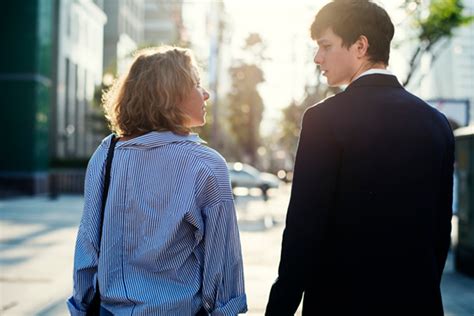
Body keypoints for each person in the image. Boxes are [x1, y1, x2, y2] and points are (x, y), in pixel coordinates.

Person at [266, 1, 454, 315]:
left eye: (325, 46)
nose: (318, 58)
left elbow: (303, 230)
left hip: (340, 302)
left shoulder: (324, 120)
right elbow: (439, 231)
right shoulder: (436, 123)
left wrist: (280, 307)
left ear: (360, 45)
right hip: (417, 302)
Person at [67, 46, 247, 315]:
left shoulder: (107, 154)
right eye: (197, 84)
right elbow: (221, 263)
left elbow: (88, 247)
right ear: (170, 96)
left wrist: (80, 307)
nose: (206, 93)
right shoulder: (206, 165)